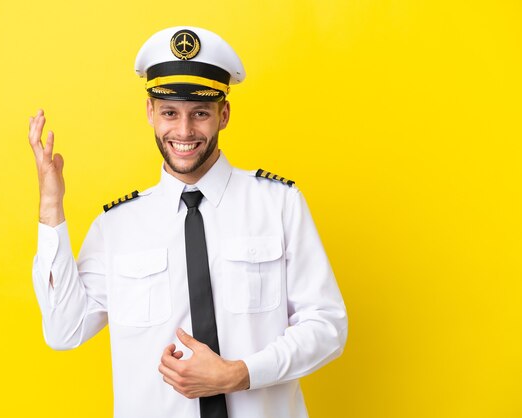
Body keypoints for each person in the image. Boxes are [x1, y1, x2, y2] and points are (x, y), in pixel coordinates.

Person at [29, 26, 348, 418]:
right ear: (150, 113)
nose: (183, 131)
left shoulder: (279, 204)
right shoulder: (117, 227)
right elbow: (64, 330)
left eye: (200, 113)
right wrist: (50, 206)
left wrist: (240, 374)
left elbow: (327, 325)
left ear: (224, 114)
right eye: (169, 113)